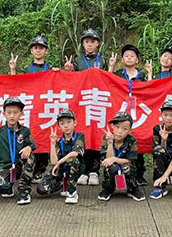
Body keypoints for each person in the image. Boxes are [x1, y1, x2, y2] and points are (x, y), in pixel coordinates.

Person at [65, 28, 115, 186]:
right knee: (84, 134)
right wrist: (69, 71)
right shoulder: (77, 61)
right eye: (86, 42)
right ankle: (83, 171)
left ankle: (94, 171)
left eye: (92, 41)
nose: (89, 44)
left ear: (98, 43)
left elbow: (109, 80)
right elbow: (71, 82)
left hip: (99, 102)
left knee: (97, 135)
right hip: (83, 104)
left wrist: (111, 68)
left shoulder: (104, 60)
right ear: (83, 44)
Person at [10, 36, 58, 184]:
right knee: (32, 136)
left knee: (43, 136)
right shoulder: (26, 69)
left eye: (41, 48)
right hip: (30, 108)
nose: (38, 50)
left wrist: (61, 73)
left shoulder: (51, 69)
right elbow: (15, 85)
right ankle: (28, 169)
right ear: (31, 50)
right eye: (35, 48)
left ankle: (40, 171)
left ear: (46, 51)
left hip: (45, 108)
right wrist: (13, 70)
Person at [0, 96, 36, 205]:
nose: (12, 115)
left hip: (20, 165)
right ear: (4, 114)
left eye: (15, 112)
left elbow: (31, 144)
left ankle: (24, 191)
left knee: (30, 157)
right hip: (5, 167)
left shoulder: (25, 131)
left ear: (21, 114)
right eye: (9, 112)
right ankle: (8, 187)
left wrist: (28, 148)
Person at [112, 44, 148, 186]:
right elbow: (107, 83)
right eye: (126, 56)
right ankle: (116, 172)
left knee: (138, 140)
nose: (129, 58)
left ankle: (139, 174)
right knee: (119, 139)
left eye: (132, 56)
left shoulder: (142, 75)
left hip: (138, 112)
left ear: (137, 60)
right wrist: (111, 67)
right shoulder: (118, 74)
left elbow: (150, 90)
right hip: (121, 110)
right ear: (122, 59)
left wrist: (150, 74)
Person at [36, 109, 85, 204]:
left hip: (75, 168)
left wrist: (59, 162)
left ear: (75, 123)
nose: (66, 125)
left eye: (69, 122)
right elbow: (53, 162)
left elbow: (75, 153)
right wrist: (53, 143)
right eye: (62, 123)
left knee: (72, 161)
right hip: (60, 171)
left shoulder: (79, 136)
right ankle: (61, 184)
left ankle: (72, 192)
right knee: (41, 189)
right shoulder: (59, 141)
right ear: (58, 127)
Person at [97, 111, 145, 201]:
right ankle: (107, 189)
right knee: (110, 168)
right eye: (117, 127)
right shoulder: (106, 138)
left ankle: (133, 189)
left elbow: (129, 160)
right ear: (112, 126)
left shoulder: (131, 140)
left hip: (125, 165)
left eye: (124, 129)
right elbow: (107, 160)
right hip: (112, 167)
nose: (119, 132)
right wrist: (110, 143)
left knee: (128, 168)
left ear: (130, 131)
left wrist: (115, 159)